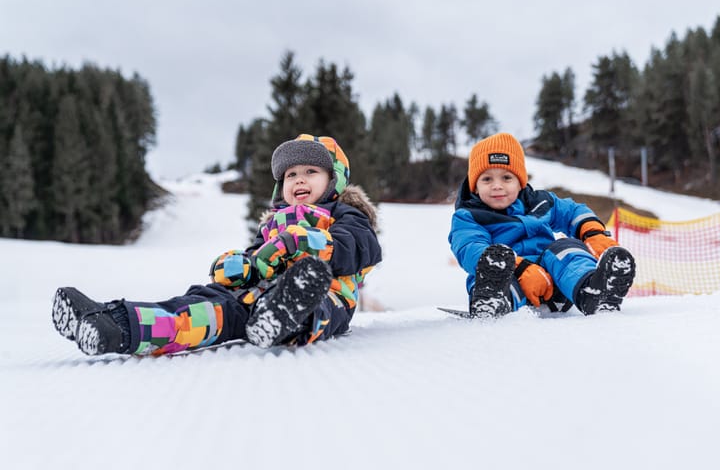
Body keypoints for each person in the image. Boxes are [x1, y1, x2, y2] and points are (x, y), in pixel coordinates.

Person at [51, 134, 382, 355]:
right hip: (258, 297)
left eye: (311, 171)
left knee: (311, 295)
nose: (299, 179)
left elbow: (359, 247)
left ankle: (284, 316)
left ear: (334, 179)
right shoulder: (272, 223)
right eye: (291, 174)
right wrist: (243, 265)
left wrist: (301, 242)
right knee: (202, 308)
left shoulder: (346, 214)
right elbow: (260, 260)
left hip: (326, 298)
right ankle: (114, 325)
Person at [448, 132, 636, 318]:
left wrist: (593, 233)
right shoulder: (469, 216)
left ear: (520, 181)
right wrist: (520, 268)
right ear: (474, 185)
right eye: (487, 179)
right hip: (510, 278)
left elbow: (573, 211)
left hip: (553, 283)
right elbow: (470, 248)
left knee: (566, 249)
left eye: (506, 178)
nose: (497, 186)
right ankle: (494, 304)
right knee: (494, 264)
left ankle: (592, 291)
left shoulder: (540, 203)